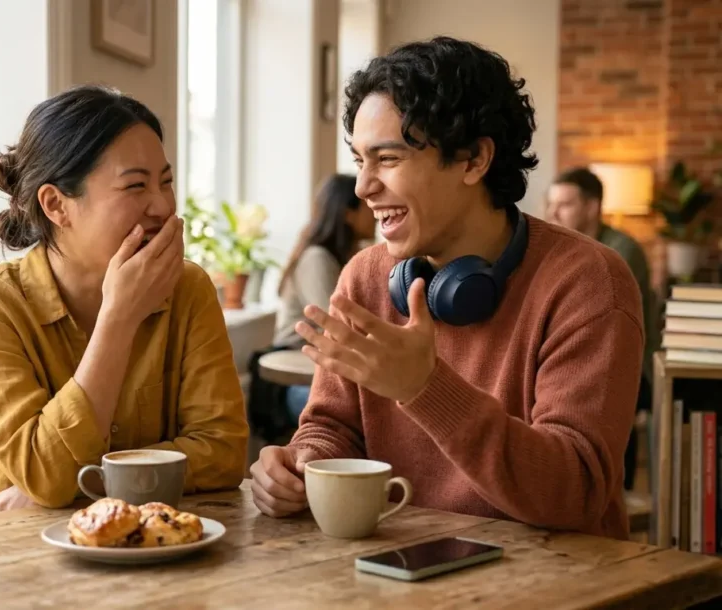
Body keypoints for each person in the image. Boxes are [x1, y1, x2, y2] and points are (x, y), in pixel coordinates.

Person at [249, 36, 644, 541]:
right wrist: (300, 465)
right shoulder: (365, 278)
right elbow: (331, 427)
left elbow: (575, 492)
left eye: (387, 158)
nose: (363, 187)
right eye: (360, 160)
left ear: (474, 159)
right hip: (400, 561)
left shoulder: (588, 282)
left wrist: (425, 388)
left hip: (553, 572)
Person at [0, 85, 249, 517]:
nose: (162, 206)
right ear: (56, 205)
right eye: (135, 185)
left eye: (166, 182)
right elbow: (45, 472)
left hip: (149, 544)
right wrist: (119, 319)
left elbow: (223, 453)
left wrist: (93, 483)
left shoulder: (188, 288)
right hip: (9, 547)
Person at [546, 167, 659, 490]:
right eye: (551, 204)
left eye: (564, 204)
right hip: (584, 353)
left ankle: (614, 492)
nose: (553, 213)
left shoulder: (622, 252)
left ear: (592, 207)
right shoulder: (562, 248)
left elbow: (594, 316)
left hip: (631, 365)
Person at [273, 174, 375, 422]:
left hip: (324, 370)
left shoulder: (351, 256)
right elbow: (338, 324)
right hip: (296, 379)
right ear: (348, 214)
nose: (375, 212)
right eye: (367, 204)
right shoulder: (317, 259)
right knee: (364, 415)